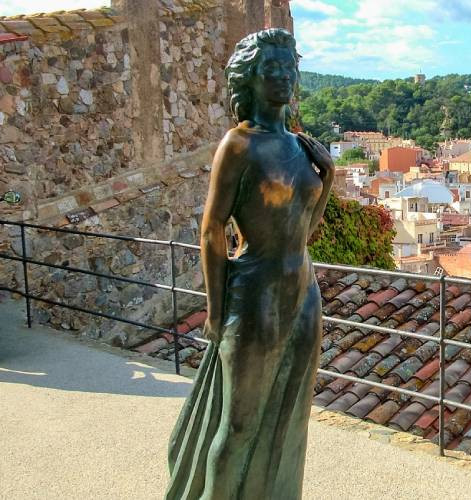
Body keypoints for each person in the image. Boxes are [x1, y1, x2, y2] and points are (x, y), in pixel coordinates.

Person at [165, 28, 333, 499]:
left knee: (290, 416)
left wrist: (331, 177)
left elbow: (306, 228)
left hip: (304, 292)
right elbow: (211, 228)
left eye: (289, 67)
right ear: (251, 79)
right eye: (271, 68)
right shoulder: (238, 145)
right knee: (237, 426)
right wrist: (217, 313)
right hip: (254, 293)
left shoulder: (302, 148)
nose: (283, 76)